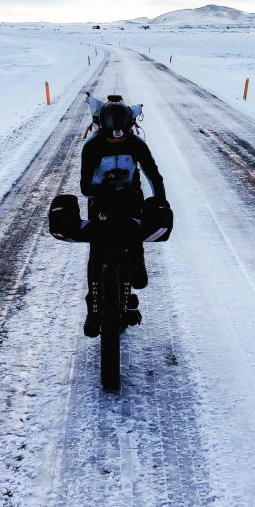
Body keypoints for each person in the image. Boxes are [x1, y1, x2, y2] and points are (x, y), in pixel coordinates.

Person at [80, 94, 166, 337]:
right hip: (103, 204)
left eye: (122, 135)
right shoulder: (97, 146)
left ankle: (126, 286)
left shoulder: (130, 144)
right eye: (111, 136)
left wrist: (160, 202)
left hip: (127, 202)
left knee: (129, 242)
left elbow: (154, 176)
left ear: (128, 128)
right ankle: (93, 308)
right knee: (97, 251)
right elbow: (85, 186)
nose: (116, 140)